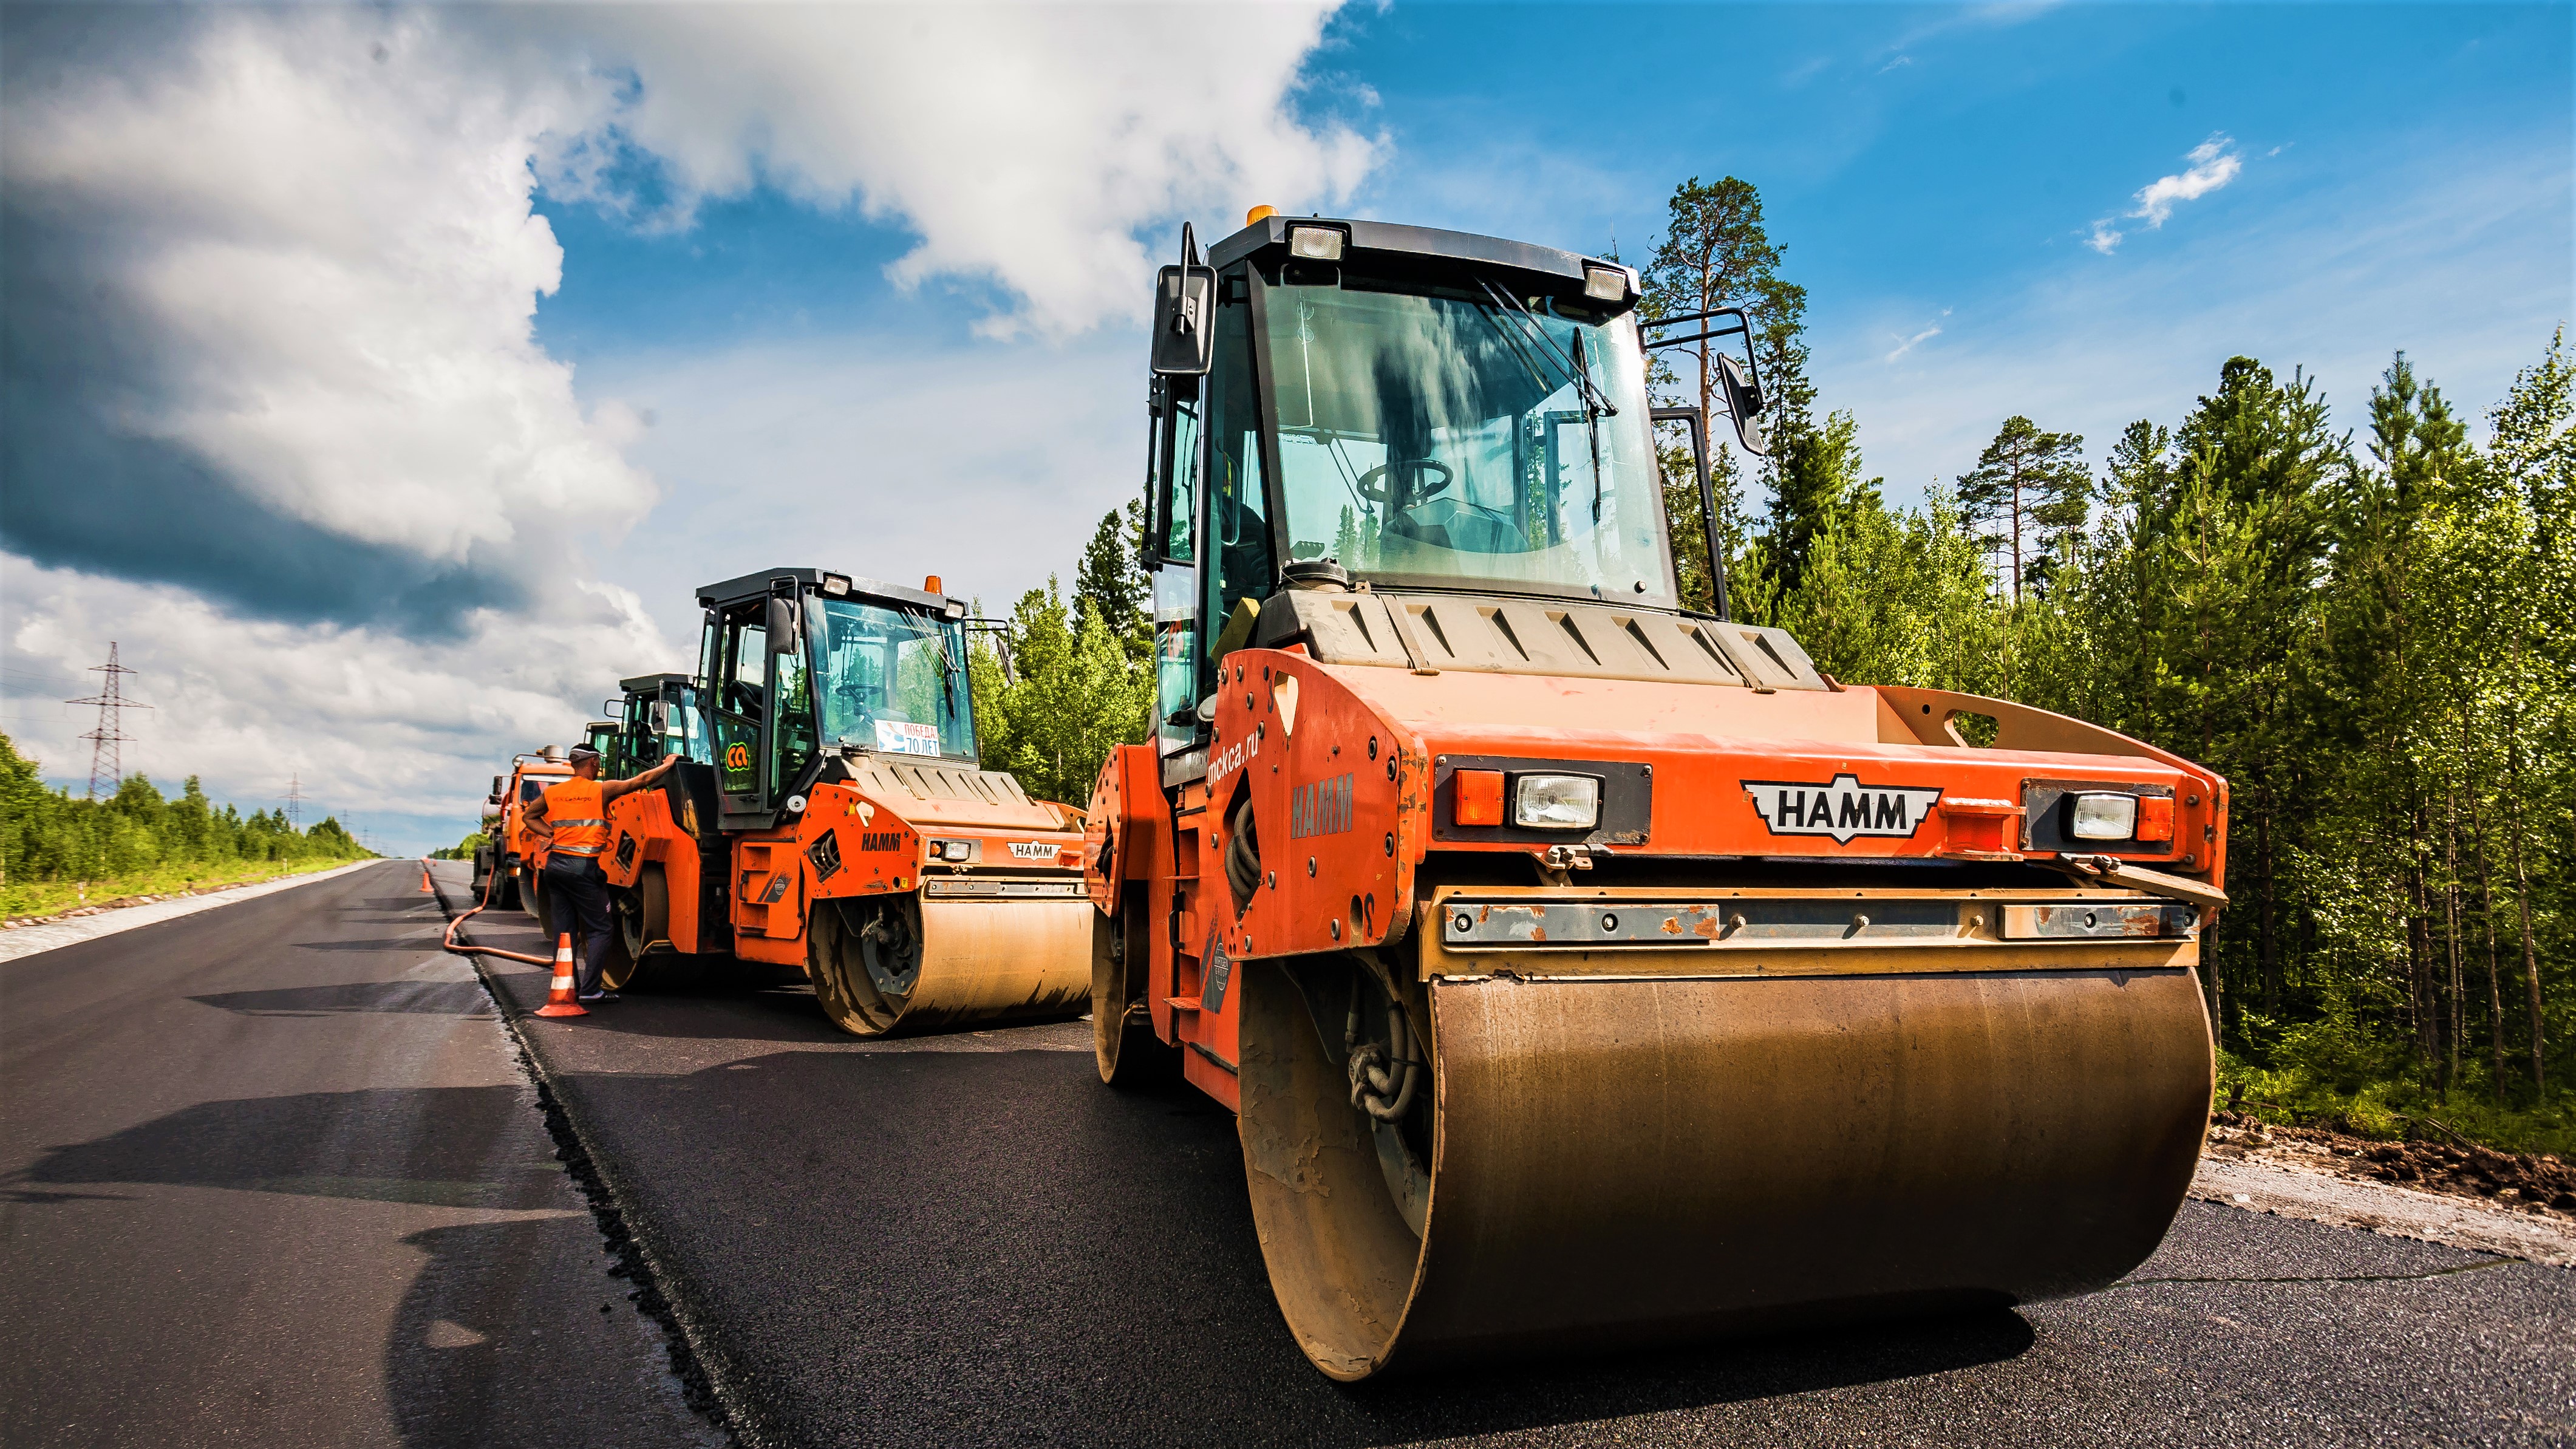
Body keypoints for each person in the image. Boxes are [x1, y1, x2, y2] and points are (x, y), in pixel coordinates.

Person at [525, 745, 683, 1003]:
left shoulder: (554, 793)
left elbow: (530, 816)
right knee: (601, 929)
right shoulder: (600, 790)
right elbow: (641, 780)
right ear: (594, 763)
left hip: (555, 867)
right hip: (582, 868)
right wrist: (668, 764)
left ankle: (566, 989)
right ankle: (590, 991)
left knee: (564, 931)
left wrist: (552, 834)